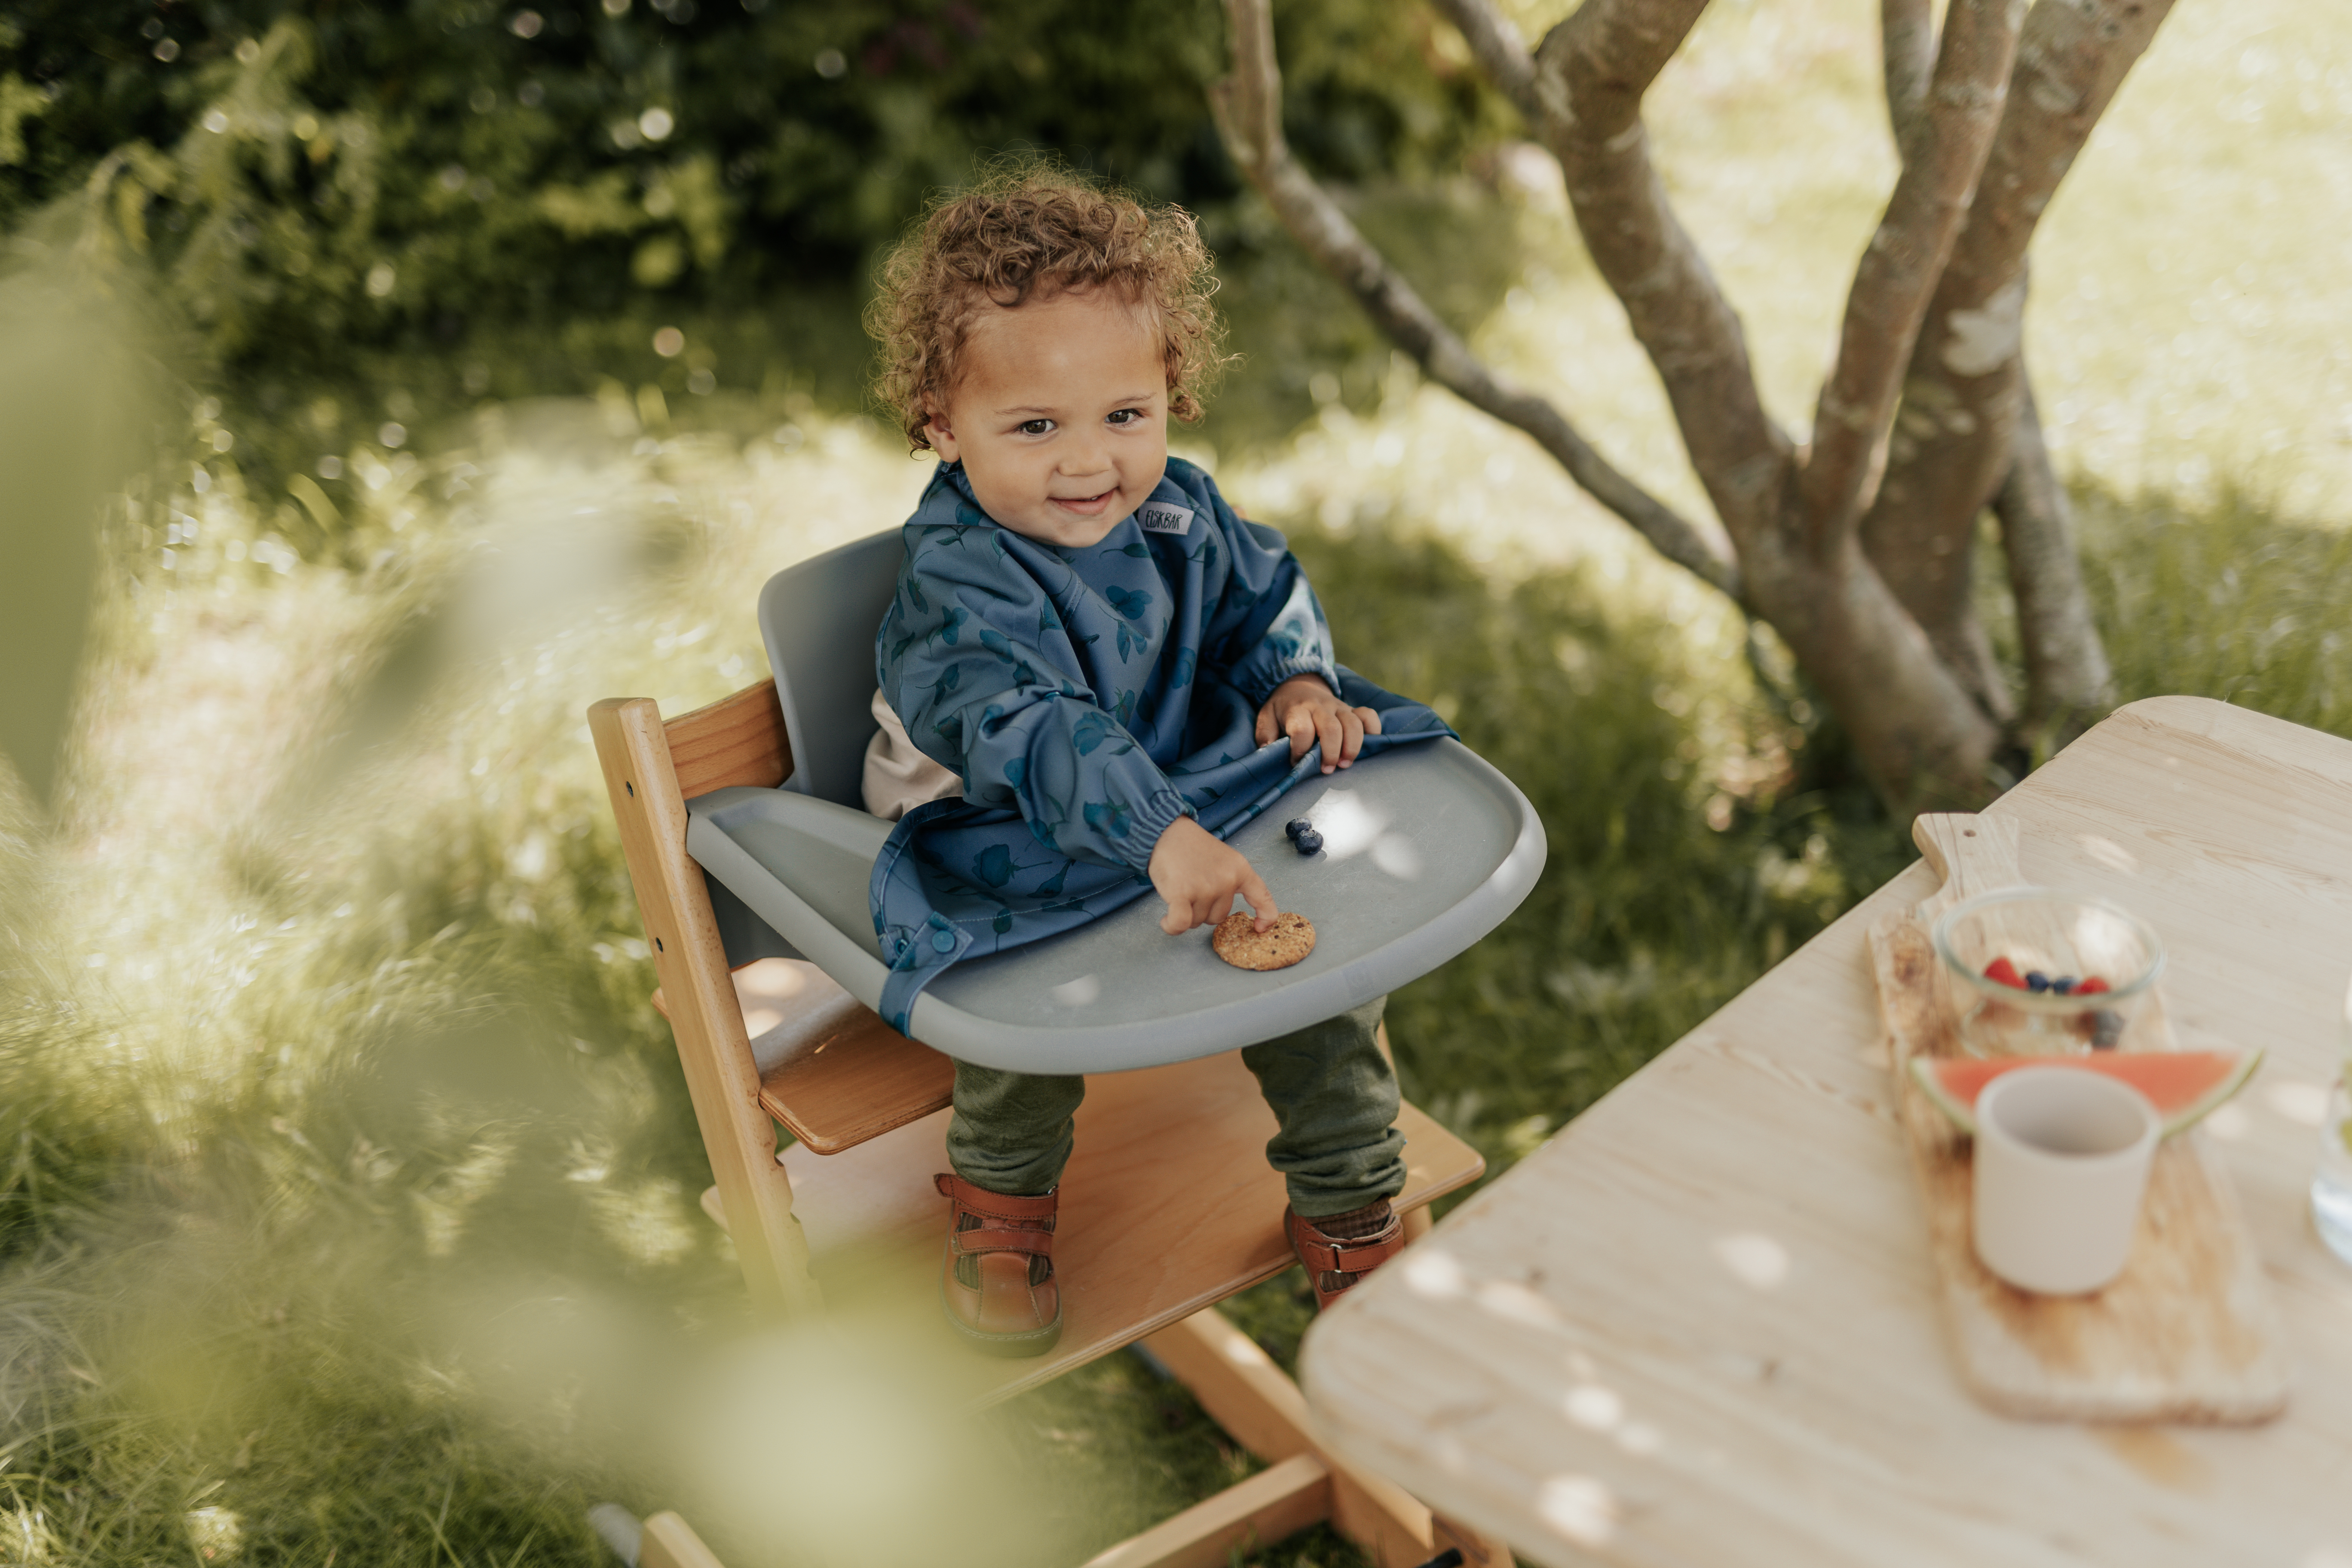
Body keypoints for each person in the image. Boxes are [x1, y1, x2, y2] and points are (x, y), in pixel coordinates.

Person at [862, 165, 1452, 1357]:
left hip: (1182, 795)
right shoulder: (960, 583)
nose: (1091, 465)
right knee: (1022, 1020)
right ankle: (1003, 1209)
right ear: (941, 421)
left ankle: (1349, 1202)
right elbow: (1027, 725)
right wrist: (1151, 832)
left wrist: (1295, 679)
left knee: (1321, 977)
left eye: (1123, 415)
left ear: (1171, 396)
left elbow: (1263, 594)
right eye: (1035, 427)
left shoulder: (1179, 515)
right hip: (1009, 823)